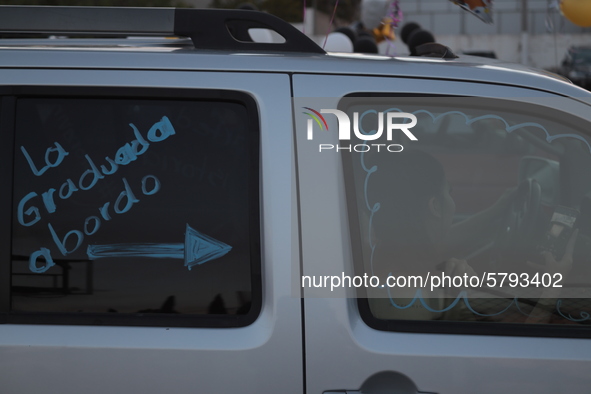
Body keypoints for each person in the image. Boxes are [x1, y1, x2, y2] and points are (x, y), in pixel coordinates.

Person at [366, 150, 576, 322]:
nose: (452, 201)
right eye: (449, 192)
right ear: (436, 206)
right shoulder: (411, 295)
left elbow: (444, 238)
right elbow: (515, 356)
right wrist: (553, 287)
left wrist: (497, 210)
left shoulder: (388, 254)